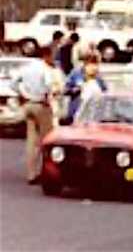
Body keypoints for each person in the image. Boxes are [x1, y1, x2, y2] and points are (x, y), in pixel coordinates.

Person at [13, 48, 57, 184]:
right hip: (41, 105)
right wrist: (48, 95)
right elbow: (49, 86)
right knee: (47, 140)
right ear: (45, 56)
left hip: (28, 104)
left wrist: (23, 94)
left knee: (31, 141)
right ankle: (47, 171)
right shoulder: (44, 69)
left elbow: (13, 83)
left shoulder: (25, 68)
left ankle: (31, 174)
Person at [64, 56, 107, 124]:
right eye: (91, 63)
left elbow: (104, 92)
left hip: (93, 116)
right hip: (77, 114)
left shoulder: (98, 78)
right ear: (86, 63)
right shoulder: (76, 74)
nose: (94, 67)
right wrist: (75, 90)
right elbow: (65, 90)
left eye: (96, 63)